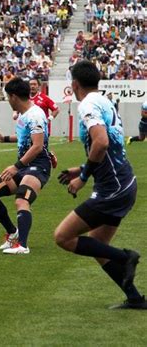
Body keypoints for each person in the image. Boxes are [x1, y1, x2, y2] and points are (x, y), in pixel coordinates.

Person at [54, 60, 145, 309]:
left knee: (62, 237)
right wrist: (81, 168)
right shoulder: (103, 100)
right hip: (123, 183)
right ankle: (136, 299)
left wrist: (83, 178)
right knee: (98, 247)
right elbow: (111, 146)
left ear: (74, 84)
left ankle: (126, 257)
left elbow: (102, 142)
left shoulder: (87, 104)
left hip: (113, 189)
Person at [0, 78, 51, 254]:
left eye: (7, 97)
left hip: (37, 165)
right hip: (24, 165)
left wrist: (16, 166)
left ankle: (22, 245)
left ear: (13, 96)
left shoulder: (35, 114)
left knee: (22, 199)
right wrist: (3, 138)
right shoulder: (24, 114)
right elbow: (24, 139)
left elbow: (37, 146)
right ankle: (12, 233)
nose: (8, 101)